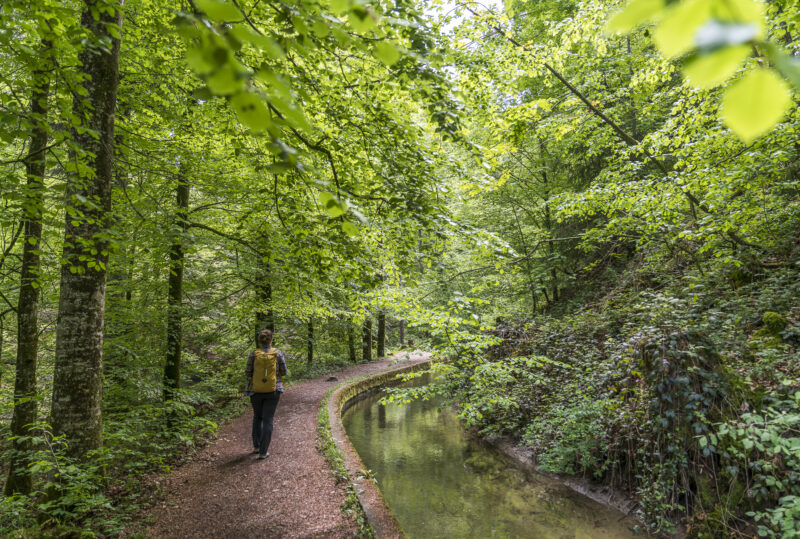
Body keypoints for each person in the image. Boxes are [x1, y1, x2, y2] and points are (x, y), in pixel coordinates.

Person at [245, 329, 287, 459]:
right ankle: (263, 452)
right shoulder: (277, 353)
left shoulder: (253, 354)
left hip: (255, 390)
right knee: (268, 419)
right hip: (273, 390)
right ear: (271, 340)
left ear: (260, 340)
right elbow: (284, 372)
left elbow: (247, 373)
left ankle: (257, 446)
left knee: (257, 417)